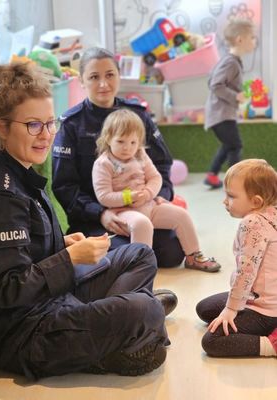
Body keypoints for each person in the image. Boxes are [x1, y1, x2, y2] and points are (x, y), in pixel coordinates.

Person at [0, 62, 177, 380]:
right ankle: (129, 323)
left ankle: (120, 327)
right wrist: (68, 258)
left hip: (54, 300)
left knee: (141, 254)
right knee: (146, 309)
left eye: (50, 123)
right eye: (33, 125)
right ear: (2, 127)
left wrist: (62, 244)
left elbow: (29, 251)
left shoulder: (22, 172)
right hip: (25, 332)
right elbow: (7, 290)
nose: (46, 136)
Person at [52, 46, 184, 268]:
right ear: (82, 82)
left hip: (143, 208)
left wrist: (159, 196)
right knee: (118, 255)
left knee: (171, 252)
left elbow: (162, 164)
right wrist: (101, 213)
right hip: (95, 218)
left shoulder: (138, 115)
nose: (103, 84)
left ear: (119, 76)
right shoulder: (71, 124)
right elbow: (65, 186)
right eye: (94, 77)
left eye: (110, 75)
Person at [92, 108, 221, 273]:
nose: (127, 148)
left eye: (133, 142)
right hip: (124, 212)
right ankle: (140, 270)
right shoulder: (104, 163)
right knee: (142, 224)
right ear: (108, 139)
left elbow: (155, 178)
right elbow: (103, 196)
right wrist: (127, 197)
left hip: (149, 204)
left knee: (181, 215)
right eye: (121, 142)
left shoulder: (140, 155)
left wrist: (147, 194)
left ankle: (193, 256)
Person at [196, 159, 277, 357]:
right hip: (259, 298)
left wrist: (232, 309)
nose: (225, 201)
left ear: (256, 202)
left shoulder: (252, 223)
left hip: (265, 311)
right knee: (205, 309)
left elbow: (246, 272)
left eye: (231, 196)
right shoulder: (271, 212)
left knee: (212, 341)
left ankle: (272, 344)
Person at [204, 19, 256, 189]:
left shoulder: (230, 61)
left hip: (222, 113)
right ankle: (236, 183)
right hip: (221, 114)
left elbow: (212, 80)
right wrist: (236, 97)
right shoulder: (230, 62)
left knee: (229, 144)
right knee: (235, 145)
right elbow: (215, 85)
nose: (254, 41)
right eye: (252, 37)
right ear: (240, 39)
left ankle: (212, 175)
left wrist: (236, 98)